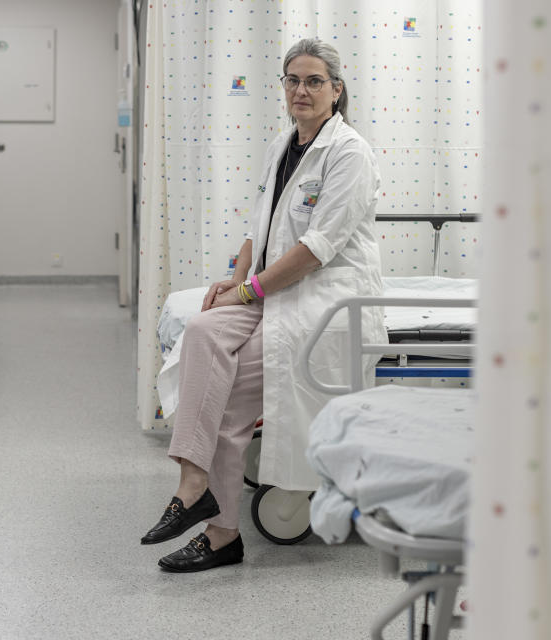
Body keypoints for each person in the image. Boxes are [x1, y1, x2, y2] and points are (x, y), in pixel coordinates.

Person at [141, 38, 387, 572]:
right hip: (273, 289)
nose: (301, 90)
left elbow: (316, 249)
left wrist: (251, 290)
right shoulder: (284, 145)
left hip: (321, 300)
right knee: (204, 329)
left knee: (227, 406)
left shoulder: (350, 154)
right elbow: (262, 227)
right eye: (293, 80)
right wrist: (235, 282)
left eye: (314, 81)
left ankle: (220, 531)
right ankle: (192, 482)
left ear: (336, 90)